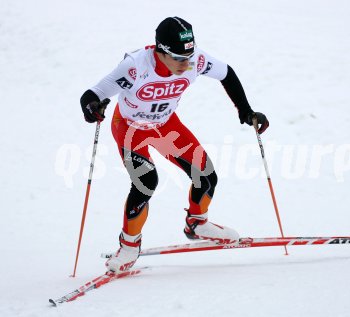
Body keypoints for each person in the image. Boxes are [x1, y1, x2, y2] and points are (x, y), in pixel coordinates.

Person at [80, 17, 269, 273]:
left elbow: (227, 74)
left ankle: (197, 223)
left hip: (165, 126)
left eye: (189, 56)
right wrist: (93, 109)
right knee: (146, 183)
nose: (187, 64)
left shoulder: (195, 60)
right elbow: (91, 95)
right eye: (179, 58)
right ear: (161, 51)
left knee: (206, 175)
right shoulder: (135, 67)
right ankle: (128, 246)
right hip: (129, 128)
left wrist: (246, 110)